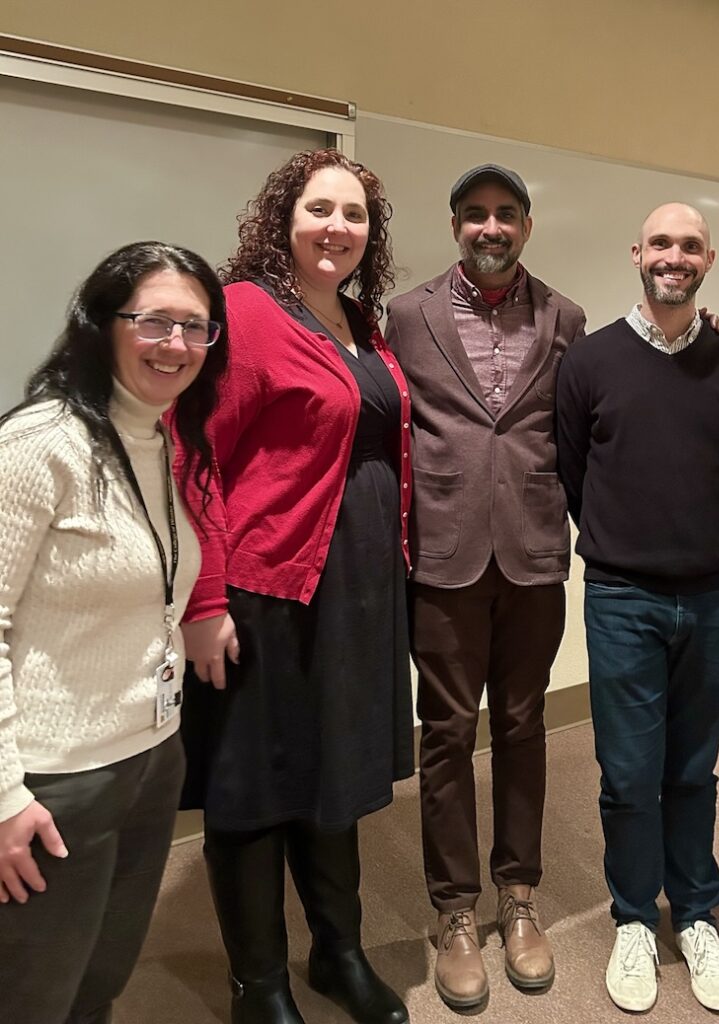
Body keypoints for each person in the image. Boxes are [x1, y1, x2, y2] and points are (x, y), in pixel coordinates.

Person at [178, 149, 413, 1024]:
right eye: (320, 209)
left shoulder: (359, 320)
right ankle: (260, 984)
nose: (336, 228)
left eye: (354, 216)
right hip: (263, 588)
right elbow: (193, 455)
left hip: (356, 587)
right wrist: (203, 604)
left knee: (333, 773)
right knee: (253, 786)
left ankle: (338, 955)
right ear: (284, 218)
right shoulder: (243, 313)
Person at [0, 241, 227, 1024]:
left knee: (100, 979)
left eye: (197, 328)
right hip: (55, 780)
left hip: (151, 757)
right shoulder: (40, 444)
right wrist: (1, 795)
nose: (176, 346)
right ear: (102, 324)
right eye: (155, 322)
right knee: (32, 993)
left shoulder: (164, 440)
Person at [556, 203, 719, 1015]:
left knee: (691, 769)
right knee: (626, 773)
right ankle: (632, 918)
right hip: (622, 599)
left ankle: (697, 913)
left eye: (688, 245)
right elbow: (574, 471)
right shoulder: (588, 361)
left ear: (708, 259)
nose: (672, 257)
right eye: (659, 243)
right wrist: (625, 543)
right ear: (635, 253)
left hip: (716, 599)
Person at [383, 164, 586, 1010]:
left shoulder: (567, 318)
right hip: (443, 554)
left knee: (524, 723)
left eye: (505, 214)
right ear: (455, 225)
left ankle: (519, 897)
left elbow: (589, 417)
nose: (490, 227)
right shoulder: (403, 315)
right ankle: (455, 912)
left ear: (527, 226)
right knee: (445, 734)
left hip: (534, 553)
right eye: (474, 215)